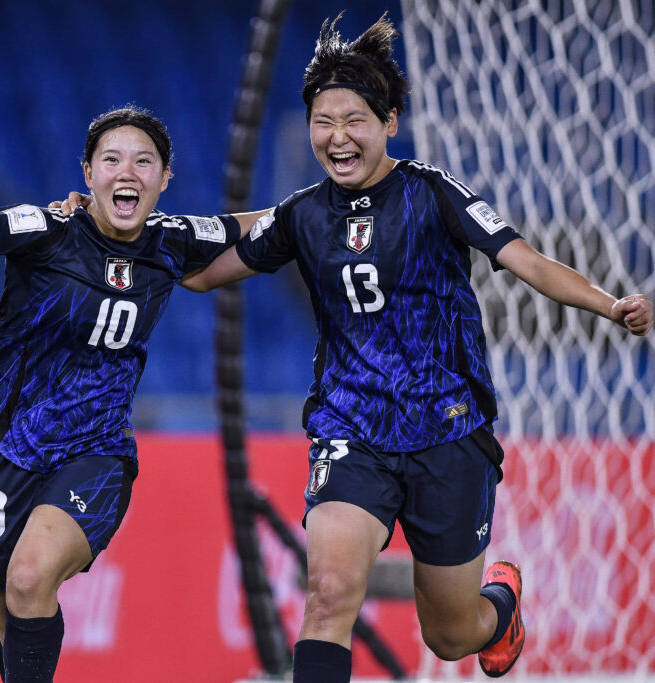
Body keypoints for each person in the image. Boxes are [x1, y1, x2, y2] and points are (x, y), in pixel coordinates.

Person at [54, 13, 655, 682]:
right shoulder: (304, 213)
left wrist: (609, 303)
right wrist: (108, 226)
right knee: (329, 593)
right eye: (322, 121)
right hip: (351, 431)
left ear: (390, 121)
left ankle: (500, 601)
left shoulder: (432, 193)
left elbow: (528, 261)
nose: (337, 137)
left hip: (447, 430)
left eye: (355, 119)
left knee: (454, 635)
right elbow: (201, 271)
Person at [0, 105, 267, 682]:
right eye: (112, 159)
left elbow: (262, 224)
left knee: (28, 578)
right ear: (87, 172)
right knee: (12, 622)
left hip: (96, 453)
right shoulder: (45, 231)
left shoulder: (173, 241)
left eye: (144, 162)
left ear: (165, 180)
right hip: (5, 447)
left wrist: (326, 202)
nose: (128, 173)